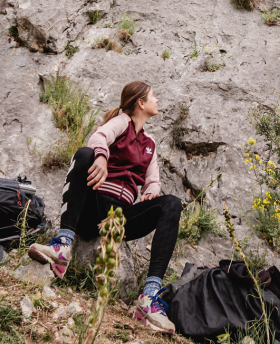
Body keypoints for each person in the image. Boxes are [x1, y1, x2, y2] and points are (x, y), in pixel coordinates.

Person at [29, 82, 183, 334]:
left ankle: (149, 298)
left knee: (172, 204)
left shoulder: (150, 143)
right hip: (94, 209)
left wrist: (151, 193)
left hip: (121, 219)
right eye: (153, 96)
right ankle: (63, 245)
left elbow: (152, 180)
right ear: (140, 103)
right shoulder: (122, 122)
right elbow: (99, 137)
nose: (157, 100)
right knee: (85, 154)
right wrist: (101, 156)